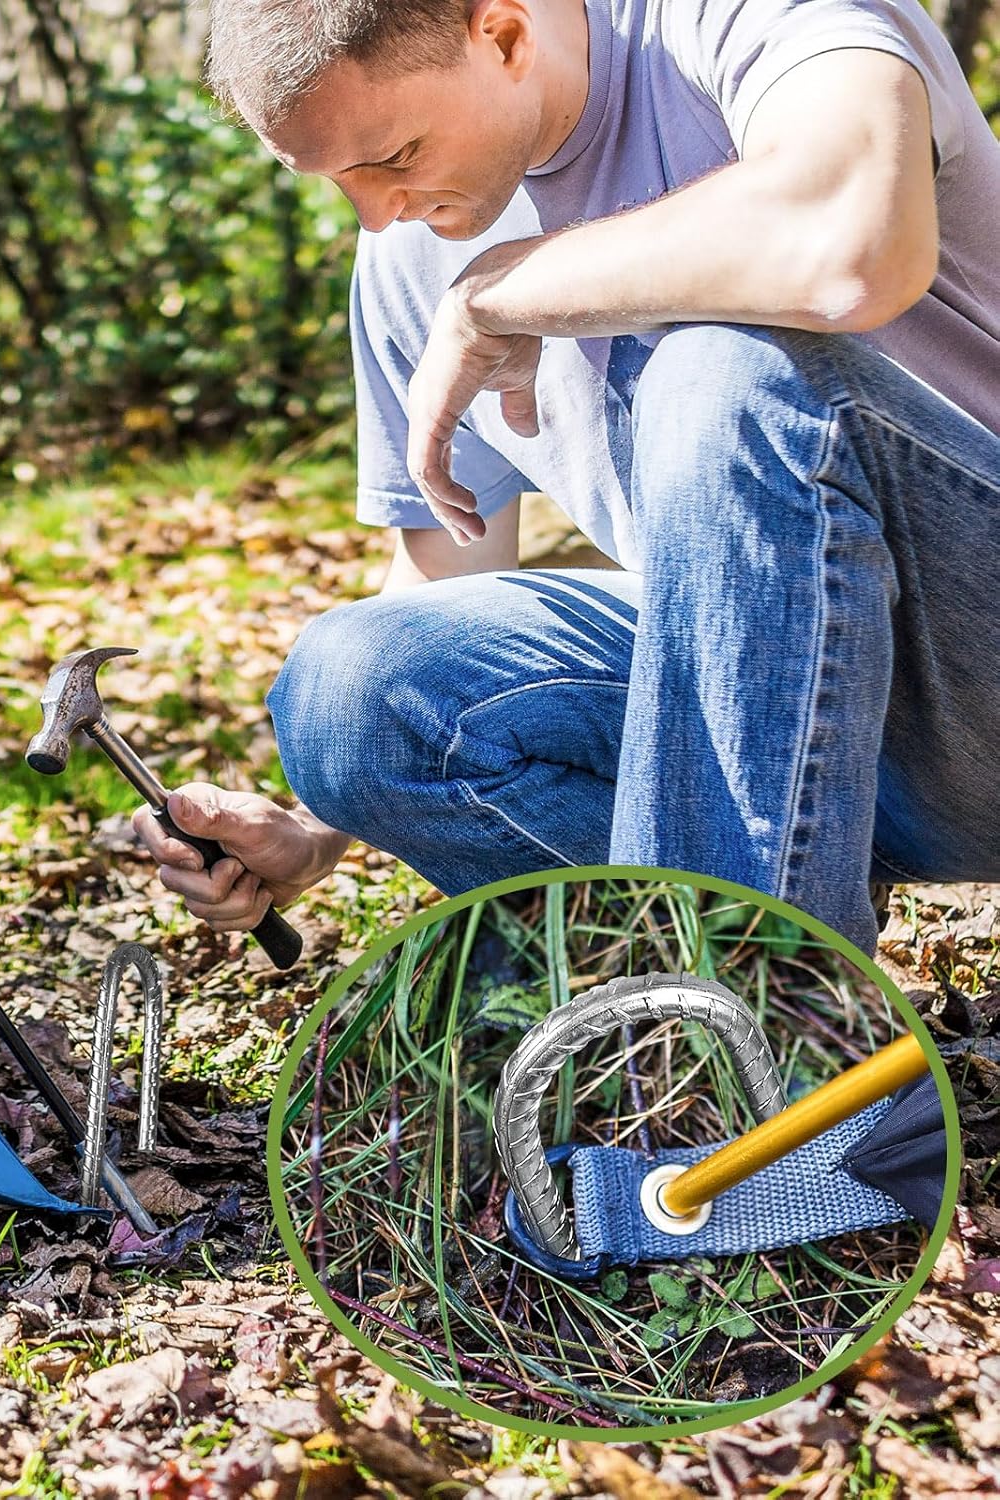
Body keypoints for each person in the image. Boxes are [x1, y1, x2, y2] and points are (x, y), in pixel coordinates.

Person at [133, 0, 1000, 954]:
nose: (375, 214)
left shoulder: (742, 19)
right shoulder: (411, 254)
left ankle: (768, 1053)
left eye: (391, 158)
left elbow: (855, 246)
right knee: (354, 689)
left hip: (977, 671)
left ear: (502, 34)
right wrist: (318, 831)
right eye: (336, 180)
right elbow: (446, 574)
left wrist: (508, 294)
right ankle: (800, 1025)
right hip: (803, 746)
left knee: (725, 375)